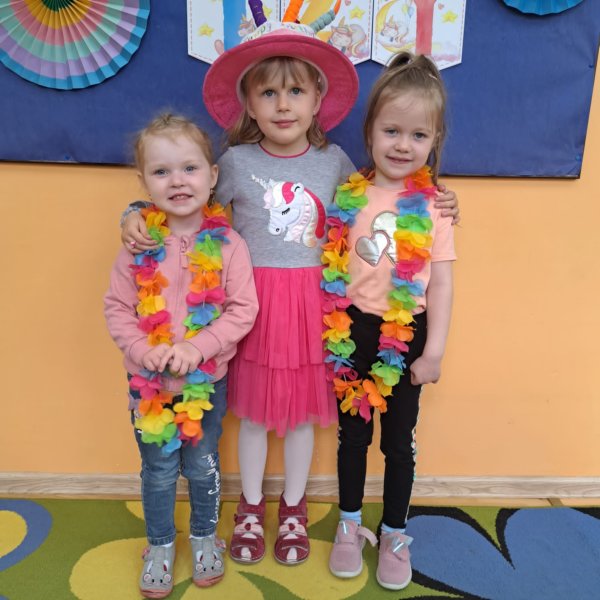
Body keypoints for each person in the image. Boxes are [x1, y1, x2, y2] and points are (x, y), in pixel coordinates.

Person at [121, 0, 459, 568]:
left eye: (296, 91)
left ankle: (295, 508)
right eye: (269, 93)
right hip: (252, 304)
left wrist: (443, 198)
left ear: (317, 100)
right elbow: (186, 203)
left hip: (314, 306)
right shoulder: (232, 161)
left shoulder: (335, 162)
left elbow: (385, 198)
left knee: (302, 414)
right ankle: (251, 508)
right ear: (249, 102)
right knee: (254, 414)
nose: (283, 105)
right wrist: (134, 212)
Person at [104, 113, 258, 598]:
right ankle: (160, 545)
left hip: (205, 383)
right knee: (158, 470)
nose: (177, 181)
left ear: (212, 177)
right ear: (144, 182)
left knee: (203, 464)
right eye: (161, 171)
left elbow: (243, 310)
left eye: (189, 169)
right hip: (148, 387)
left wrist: (198, 346)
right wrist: (139, 349)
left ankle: (204, 536)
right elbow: (117, 307)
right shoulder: (138, 245)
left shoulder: (230, 245)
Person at [323, 51, 456, 591]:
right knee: (352, 435)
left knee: (398, 442)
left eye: (418, 135)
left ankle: (396, 532)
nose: (403, 145)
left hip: (408, 335)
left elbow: (441, 283)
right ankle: (349, 524)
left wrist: (435, 351)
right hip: (352, 329)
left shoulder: (436, 206)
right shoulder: (348, 195)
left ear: (434, 140)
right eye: (392, 131)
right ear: (370, 132)